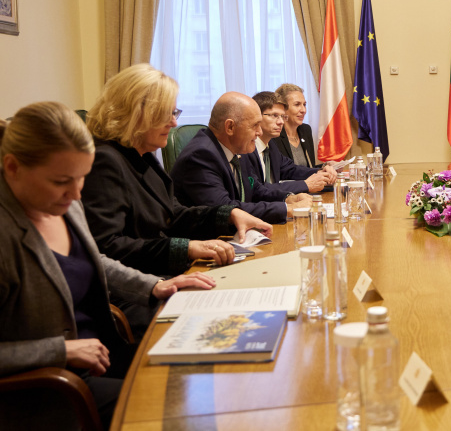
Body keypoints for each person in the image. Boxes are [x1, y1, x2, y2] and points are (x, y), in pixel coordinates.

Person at [0, 102, 215, 429]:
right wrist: (59, 351)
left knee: (202, 367)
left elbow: (90, 260)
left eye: (82, 178)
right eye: (61, 181)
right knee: (181, 407)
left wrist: (154, 285)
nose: (75, 195)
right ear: (12, 167)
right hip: (47, 389)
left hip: (101, 355)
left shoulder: (63, 202)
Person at [81, 64, 273, 278]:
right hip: (141, 288)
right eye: (167, 114)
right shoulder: (104, 161)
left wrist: (229, 214)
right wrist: (186, 249)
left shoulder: (142, 155)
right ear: (136, 113)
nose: (174, 123)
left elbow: (173, 214)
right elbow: (108, 247)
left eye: (175, 113)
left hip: (163, 274)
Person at [170, 92, 312, 223]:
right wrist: (287, 209)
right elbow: (226, 209)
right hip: (210, 242)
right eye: (255, 125)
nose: (259, 132)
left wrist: (288, 198)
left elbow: (256, 190)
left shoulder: (237, 148)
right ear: (230, 127)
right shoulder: (200, 156)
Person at [252, 91, 336, 189]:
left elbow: (291, 169)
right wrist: (305, 184)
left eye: (282, 117)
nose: (280, 122)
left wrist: (321, 171)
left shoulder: (270, 145)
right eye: (274, 116)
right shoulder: (247, 149)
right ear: (257, 117)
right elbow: (258, 190)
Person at [273, 83, 319, 167]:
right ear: (283, 108)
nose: (303, 110)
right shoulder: (275, 134)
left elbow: (309, 168)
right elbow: (283, 172)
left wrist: (326, 166)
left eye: (304, 105)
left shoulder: (305, 130)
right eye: (297, 104)